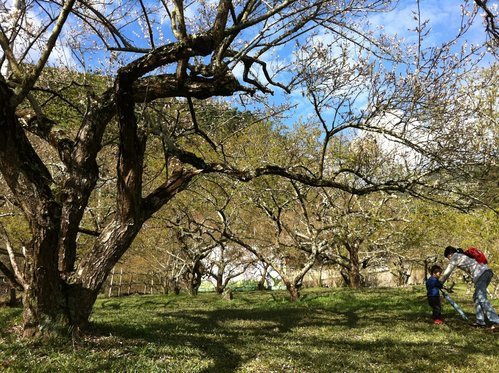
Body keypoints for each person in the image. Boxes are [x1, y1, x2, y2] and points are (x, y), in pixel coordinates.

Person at [440, 246, 499, 331]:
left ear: (450, 254)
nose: (449, 259)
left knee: (481, 297)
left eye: (448, 257)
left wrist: (439, 282)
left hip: (482, 274)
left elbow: (447, 272)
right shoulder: (462, 256)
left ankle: (496, 321)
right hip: (486, 272)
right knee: (476, 297)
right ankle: (480, 322)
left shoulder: (455, 256)